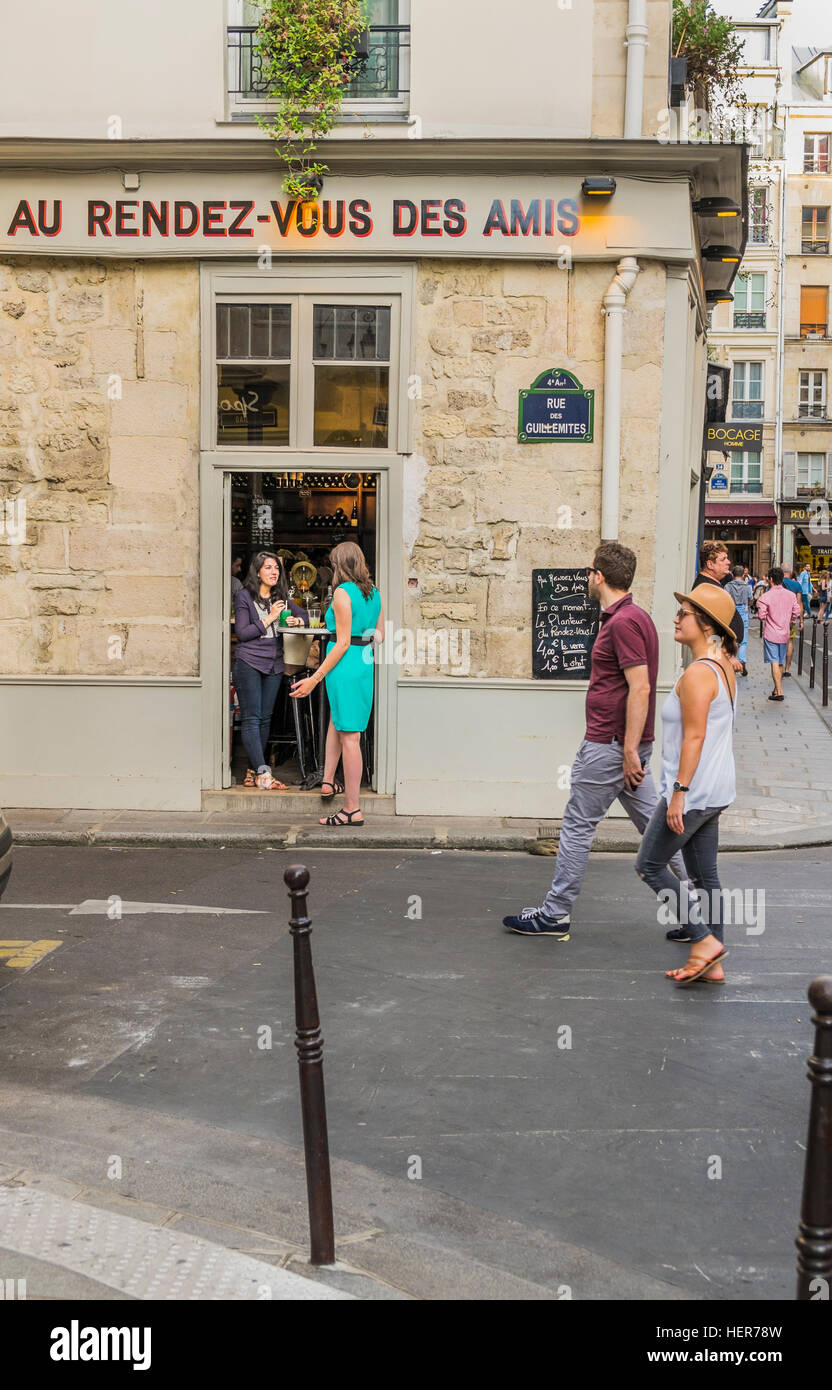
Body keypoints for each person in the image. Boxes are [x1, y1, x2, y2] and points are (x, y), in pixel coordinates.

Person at [502, 541, 686, 939]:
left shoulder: (622, 623)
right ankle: (694, 911)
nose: (587, 577)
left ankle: (554, 914)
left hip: (611, 747)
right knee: (656, 829)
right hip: (623, 747)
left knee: (576, 827)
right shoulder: (636, 617)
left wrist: (628, 750)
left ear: (599, 576)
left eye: (589, 571)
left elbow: (640, 688)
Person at [635, 585, 737, 986]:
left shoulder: (698, 674)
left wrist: (678, 793)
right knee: (705, 877)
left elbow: (694, 738)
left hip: (692, 792)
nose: (676, 619)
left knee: (649, 865)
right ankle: (714, 960)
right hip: (716, 790)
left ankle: (703, 940)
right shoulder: (723, 665)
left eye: (685, 614)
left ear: (707, 625)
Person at [290, 541, 383, 827]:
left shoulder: (343, 593)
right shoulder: (375, 593)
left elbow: (341, 643)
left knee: (350, 736)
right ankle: (328, 780)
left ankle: (352, 809)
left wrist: (314, 679)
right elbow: (378, 635)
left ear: (339, 565)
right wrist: (362, 646)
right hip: (362, 664)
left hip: (343, 667)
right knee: (340, 723)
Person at [233, 551, 308, 790]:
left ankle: (253, 771)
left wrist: (298, 621)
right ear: (257, 572)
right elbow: (243, 633)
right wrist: (270, 617)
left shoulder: (281, 597)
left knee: (265, 719)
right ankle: (264, 773)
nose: (274, 571)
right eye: (268, 567)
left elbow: (304, 615)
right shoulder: (245, 596)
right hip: (250, 662)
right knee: (252, 718)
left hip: (274, 663)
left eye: (276, 568)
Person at [693, 541, 744, 671]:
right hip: (717, 659)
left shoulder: (711, 584)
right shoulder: (705, 587)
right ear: (710, 564)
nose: (729, 562)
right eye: (723, 559)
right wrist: (725, 654)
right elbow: (707, 627)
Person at [757, 567, 802, 701]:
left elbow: (761, 616)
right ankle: (776, 689)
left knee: (774, 662)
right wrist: (791, 620)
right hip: (785, 633)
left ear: (770, 579)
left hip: (771, 633)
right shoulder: (790, 595)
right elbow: (797, 611)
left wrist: (766, 616)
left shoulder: (765, 597)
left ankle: (779, 691)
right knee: (780, 661)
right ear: (782, 579)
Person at [724, 564, 752, 676]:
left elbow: (725, 599)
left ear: (732, 574)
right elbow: (751, 600)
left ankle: (732, 660)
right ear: (743, 574)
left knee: (731, 637)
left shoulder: (727, 586)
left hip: (731, 611)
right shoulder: (747, 587)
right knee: (743, 640)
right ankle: (742, 661)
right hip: (744, 611)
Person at [780, 563, 802, 678]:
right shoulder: (796, 585)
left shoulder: (777, 583)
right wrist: (801, 620)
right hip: (791, 617)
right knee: (789, 642)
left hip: (778, 617)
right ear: (791, 571)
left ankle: (779, 666)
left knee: (778, 642)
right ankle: (787, 669)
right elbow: (799, 604)